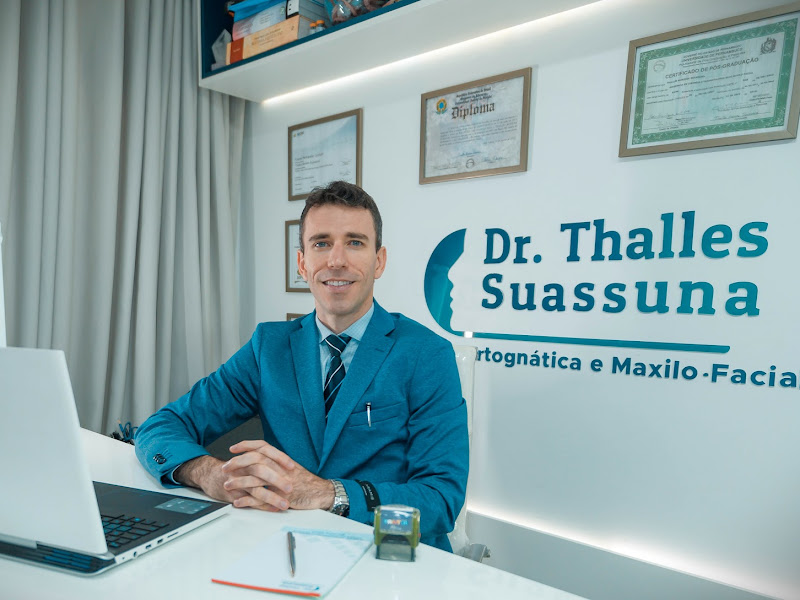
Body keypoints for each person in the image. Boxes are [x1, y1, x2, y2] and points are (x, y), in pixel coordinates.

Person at [134, 181, 468, 551]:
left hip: (388, 552)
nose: (336, 260)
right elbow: (160, 426)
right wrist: (208, 473)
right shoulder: (269, 346)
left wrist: (330, 494)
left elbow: (441, 500)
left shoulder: (426, 353)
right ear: (302, 262)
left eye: (355, 242)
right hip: (289, 548)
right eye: (321, 243)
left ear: (379, 261)